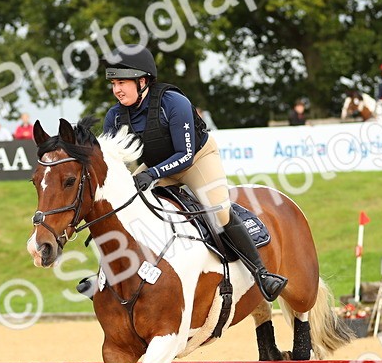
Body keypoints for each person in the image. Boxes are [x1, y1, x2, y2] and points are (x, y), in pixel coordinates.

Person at [103, 44, 286, 301]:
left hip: (196, 160)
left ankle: (262, 274)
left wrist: (152, 174)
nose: (117, 90)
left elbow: (185, 155)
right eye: (114, 84)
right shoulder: (114, 116)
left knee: (219, 211)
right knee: (123, 209)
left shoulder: (173, 103)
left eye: (122, 83)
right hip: (158, 166)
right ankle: (105, 277)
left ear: (142, 81)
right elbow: (113, 164)